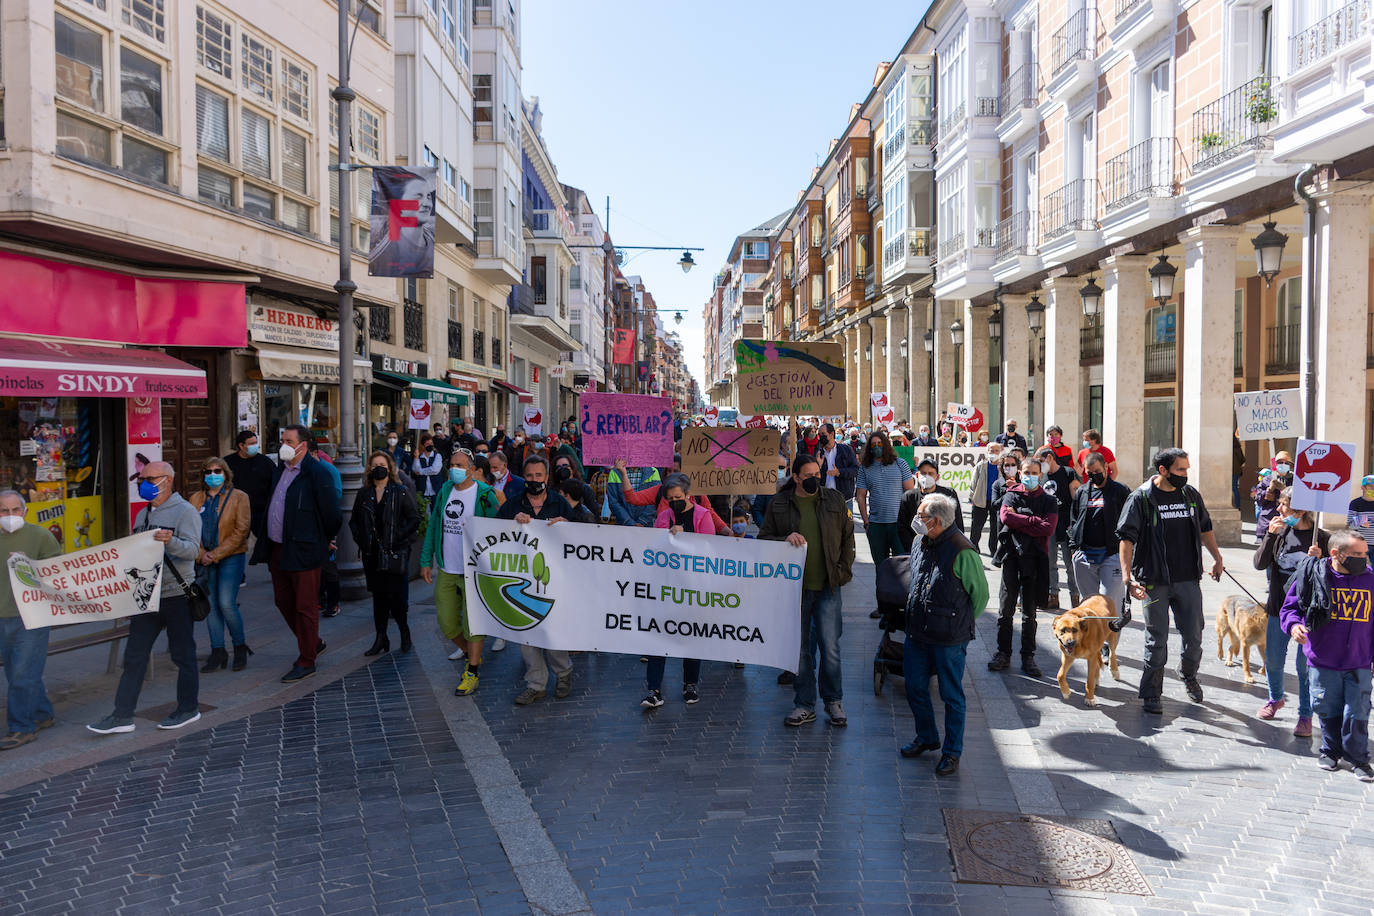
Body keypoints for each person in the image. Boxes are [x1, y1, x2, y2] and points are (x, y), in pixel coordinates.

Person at [88, 463, 203, 734]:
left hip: (176, 595)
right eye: (142, 479)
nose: (144, 483)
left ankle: (188, 709)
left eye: (150, 478)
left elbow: (193, 551)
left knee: (183, 654)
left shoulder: (185, 511)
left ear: (167, 480)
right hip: (146, 597)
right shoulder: (143, 514)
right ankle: (122, 715)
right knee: (134, 656)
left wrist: (170, 541)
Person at [1117, 447, 1225, 714]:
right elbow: (1126, 540)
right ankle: (1152, 693)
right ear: (1162, 470)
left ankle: (1188, 672)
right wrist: (1127, 578)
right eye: (1180, 469)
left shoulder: (1190, 495)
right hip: (1154, 579)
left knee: (1195, 634)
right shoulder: (1141, 498)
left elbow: (1205, 528)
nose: (1185, 474)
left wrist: (1217, 557)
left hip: (1188, 578)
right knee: (1157, 637)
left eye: (1186, 469)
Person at [759, 455, 856, 728]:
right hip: (794, 590)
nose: (816, 477)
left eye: (818, 472)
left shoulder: (835, 500)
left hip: (828, 586)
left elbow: (849, 536)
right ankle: (804, 704)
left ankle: (834, 701)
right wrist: (784, 538)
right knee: (800, 651)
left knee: (831, 647)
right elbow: (763, 539)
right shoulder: (779, 503)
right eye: (809, 474)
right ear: (797, 476)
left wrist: (843, 570)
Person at [900, 493, 988, 777]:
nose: (916, 521)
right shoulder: (919, 541)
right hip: (917, 632)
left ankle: (951, 752)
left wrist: (958, 623)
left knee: (952, 696)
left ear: (936, 522)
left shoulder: (963, 550)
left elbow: (981, 596)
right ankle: (927, 736)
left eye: (921, 517)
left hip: (949, 638)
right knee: (914, 686)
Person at [251, 424, 342, 683]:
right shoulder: (281, 469)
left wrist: (324, 539)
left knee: (305, 605)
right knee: (283, 600)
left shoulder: (318, 473)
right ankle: (313, 641)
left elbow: (332, 515)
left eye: (289, 441)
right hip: (278, 546)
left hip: (305, 548)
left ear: (303, 445)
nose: (284, 445)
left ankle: (307, 659)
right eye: (283, 440)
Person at [1280, 530, 1374, 780]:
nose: (1364, 559)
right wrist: (1293, 626)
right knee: (1326, 708)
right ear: (1336, 554)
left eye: (1365, 554)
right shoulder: (1313, 576)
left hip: (1360, 660)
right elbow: (1290, 609)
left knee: (1358, 711)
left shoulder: (1370, 579)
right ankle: (1330, 750)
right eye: (1357, 554)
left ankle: (1358, 758)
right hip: (1323, 659)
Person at [421, 447, 501, 693]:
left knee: (474, 622)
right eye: (451, 464)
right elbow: (435, 523)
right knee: (447, 623)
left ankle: (472, 670)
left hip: (474, 569)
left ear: (471, 469)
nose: (454, 469)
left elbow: (498, 531)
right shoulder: (446, 490)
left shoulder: (485, 494)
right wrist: (426, 559)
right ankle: (469, 651)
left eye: (459, 465)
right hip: (448, 566)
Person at [498, 455, 575, 706]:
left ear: (546, 477)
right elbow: (494, 536)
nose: (534, 480)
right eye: (529, 476)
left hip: (554, 580)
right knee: (527, 634)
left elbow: (582, 537)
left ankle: (563, 674)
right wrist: (513, 524)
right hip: (522, 580)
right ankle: (536, 684)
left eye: (538, 476)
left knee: (553, 632)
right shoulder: (511, 506)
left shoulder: (560, 503)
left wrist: (567, 525)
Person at [1254, 487, 1328, 736]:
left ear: (1300, 510)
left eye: (1283, 505)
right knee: (1273, 659)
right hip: (1279, 608)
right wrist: (1270, 536)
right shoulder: (1280, 532)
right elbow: (1259, 564)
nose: (1279, 509)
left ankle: (1305, 715)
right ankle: (1275, 698)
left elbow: (1334, 576)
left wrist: (1321, 560)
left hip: (1309, 613)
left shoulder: (1322, 538)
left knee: (1304, 666)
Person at [642, 473, 715, 709]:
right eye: (670, 497)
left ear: (688, 496)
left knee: (690, 636)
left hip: (693, 587)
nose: (674, 501)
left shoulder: (703, 516)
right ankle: (654, 689)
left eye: (678, 497)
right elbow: (655, 547)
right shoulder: (663, 516)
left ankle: (690, 684)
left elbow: (710, 548)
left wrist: (686, 539)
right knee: (658, 636)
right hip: (666, 587)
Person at [0, 491, 62, 750]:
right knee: (16, 671)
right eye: (4, 511)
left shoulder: (41, 536)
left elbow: (57, 571)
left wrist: (29, 566)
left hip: (32, 616)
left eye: (16, 510)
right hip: (3, 616)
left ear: (25, 511)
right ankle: (42, 714)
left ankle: (21, 727)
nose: (11, 516)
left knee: (22, 674)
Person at [990, 458, 1058, 677]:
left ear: (1041, 474)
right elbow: (1005, 517)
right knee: (1005, 609)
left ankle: (1028, 656)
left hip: (1035, 560)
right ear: (1020, 473)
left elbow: (1048, 528)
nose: (1030, 475)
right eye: (1027, 472)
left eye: (1035, 472)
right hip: (1012, 556)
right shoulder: (1011, 495)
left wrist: (1021, 520)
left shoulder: (1048, 500)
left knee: (1029, 612)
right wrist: (1032, 520)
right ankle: (1003, 652)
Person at [351, 451, 420, 657]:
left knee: (396, 597)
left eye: (382, 464)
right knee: (378, 597)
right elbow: (354, 521)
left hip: (395, 552)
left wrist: (398, 536)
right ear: (370, 469)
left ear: (389, 467)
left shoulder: (400, 491)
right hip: (372, 553)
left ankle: (404, 632)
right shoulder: (364, 494)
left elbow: (413, 518)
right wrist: (361, 539)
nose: (378, 468)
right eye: (374, 465)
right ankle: (381, 638)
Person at [188, 457, 252, 673]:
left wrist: (214, 554)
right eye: (208, 471)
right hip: (204, 558)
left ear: (225, 474)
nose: (213, 475)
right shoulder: (195, 499)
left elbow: (241, 531)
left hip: (231, 556)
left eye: (217, 471)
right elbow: (188, 532)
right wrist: (201, 554)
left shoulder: (239, 497)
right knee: (211, 606)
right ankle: (218, 651)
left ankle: (239, 646)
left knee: (226, 603)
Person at [1067, 451, 1130, 617]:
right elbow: (1074, 520)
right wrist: (1075, 549)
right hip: (1085, 555)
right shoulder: (1082, 492)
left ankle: (1109, 640)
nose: (1094, 476)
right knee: (1089, 604)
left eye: (1097, 472)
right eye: (1089, 473)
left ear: (1106, 467)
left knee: (1110, 603)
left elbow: (1131, 521)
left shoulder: (1120, 491)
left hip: (1112, 554)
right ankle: (1095, 642)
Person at [855, 428, 915, 571]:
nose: (876, 446)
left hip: (898, 524)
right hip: (876, 525)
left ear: (886, 445)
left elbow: (911, 493)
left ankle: (901, 594)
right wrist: (866, 522)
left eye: (880, 443)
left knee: (903, 566)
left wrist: (909, 521)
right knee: (880, 567)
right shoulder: (865, 468)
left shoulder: (900, 464)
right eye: (873, 444)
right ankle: (881, 593)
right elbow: (860, 496)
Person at [1035, 446, 1081, 610]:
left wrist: (1075, 523)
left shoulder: (1068, 473)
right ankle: (1053, 595)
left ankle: (1076, 598)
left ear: (1049, 458)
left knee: (1070, 564)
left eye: (1041, 461)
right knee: (1050, 562)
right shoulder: (1042, 477)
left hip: (1067, 524)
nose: (1040, 465)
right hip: (1049, 525)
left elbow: (1077, 499)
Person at [307, 438, 344, 620]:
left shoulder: (328, 470)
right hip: (308, 525)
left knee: (328, 564)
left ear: (314, 453)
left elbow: (336, 494)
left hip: (324, 522)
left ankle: (333, 602)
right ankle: (318, 599)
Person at [898, 458, 965, 555]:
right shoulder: (909, 497)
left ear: (937, 477)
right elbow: (902, 526)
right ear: (917, 475)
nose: (926, 476)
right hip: (917, 549)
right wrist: (913, 548)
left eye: (930, 473)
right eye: (923, 473)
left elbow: (957, 523)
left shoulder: (948, 494)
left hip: (944, 548)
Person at [223, 430, 275, 543]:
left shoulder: (266, 462)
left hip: (261, 512)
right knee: (235, 543)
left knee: (266, 543)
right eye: (251, 444)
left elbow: (275, 485)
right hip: (236, 512)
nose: (255, 446)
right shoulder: (227, 463)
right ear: (241, 446)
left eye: (256, 443)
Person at [969, 443, 1003, 553]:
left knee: (995, 527)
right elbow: (973, 483)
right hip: (980, 500)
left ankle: (993, 549)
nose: (994, 453)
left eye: (996, 451)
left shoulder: (1002, 467)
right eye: (991, 451)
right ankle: (973, 546)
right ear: (987, 452)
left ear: (1000, 452)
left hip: (996, 501)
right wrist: (972, 497)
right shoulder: (980, 465)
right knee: (977, 526)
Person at [816, 423, 859, 504]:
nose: (821, 437)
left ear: (832, 434)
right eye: (819, 434)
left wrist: (839, 472)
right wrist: (818, 466)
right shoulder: (818, 453)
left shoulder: (846, 450)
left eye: (823, 434)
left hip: (844, 499)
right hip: (824, 499)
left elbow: (855, 470)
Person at [413, 433, 446, 501]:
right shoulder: (419, 457)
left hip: (436, 490)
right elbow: (415, 470)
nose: (430, 445)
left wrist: (421, 471)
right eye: (427, 444)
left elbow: (435, 470)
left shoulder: (437, 456)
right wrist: (416, 458)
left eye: (431, 443)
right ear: (423, 446)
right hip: (423, 491)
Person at [1349, 475, 1374, 550]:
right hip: (1362, 545)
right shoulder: (1355, 503)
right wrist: (1363, 521)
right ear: (1363, 488)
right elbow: (1350, 524)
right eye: (1371, 487)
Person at [1232, 432, 1247, 511]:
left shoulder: (1228, 448)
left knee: (1232, 488)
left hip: (1230, 471)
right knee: (1235, 488)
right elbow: (1242, 459)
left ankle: (1235, 505)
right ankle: (1238, 506)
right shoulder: (1238, 447)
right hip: (1236, 471)